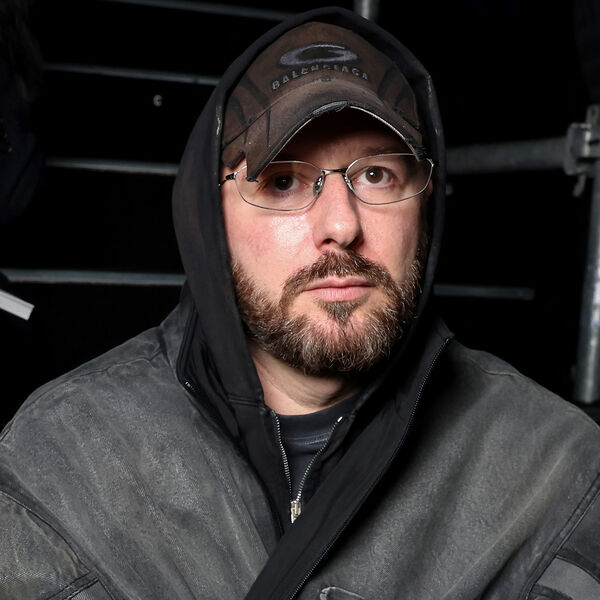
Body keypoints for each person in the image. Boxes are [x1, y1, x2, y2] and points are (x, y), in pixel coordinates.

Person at [1, 7, 600, 600]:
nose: (342, 225)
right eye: (283, 181)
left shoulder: (555, 471)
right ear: (209, 217)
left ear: (426, 207)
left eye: (377, 175)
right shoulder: (63, 460)